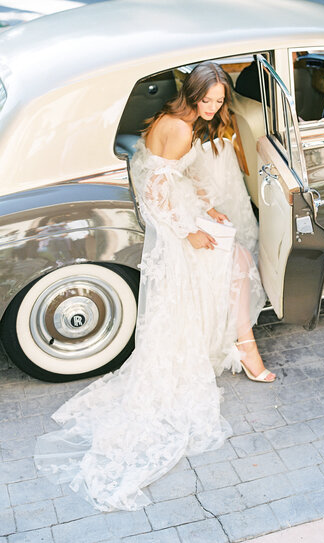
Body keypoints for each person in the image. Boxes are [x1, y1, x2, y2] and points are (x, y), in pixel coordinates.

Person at [34, 62, 275, 512]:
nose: (214, 108)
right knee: (238, 258)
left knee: (236, 255)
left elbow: (170, 178)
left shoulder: (173, 118)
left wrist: (206, 206)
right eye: (209, 100)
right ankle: (245, 345)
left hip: (179, 210)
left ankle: (241, 343)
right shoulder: (181, 130)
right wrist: (189, 230)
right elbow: (155, 192)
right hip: (170, 223)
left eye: (220, 102)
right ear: (194, 95)